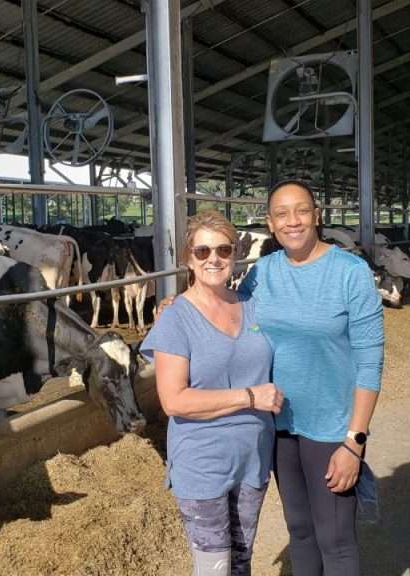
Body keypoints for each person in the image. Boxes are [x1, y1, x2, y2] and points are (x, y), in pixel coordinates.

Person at [238, 180, 384, 575]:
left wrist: (354, 440)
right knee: (299, 530)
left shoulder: (350, 273)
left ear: (317, 215)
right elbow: (229, 320)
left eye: (301, 210)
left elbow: (370, 361)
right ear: (270, 223)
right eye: (282, 214)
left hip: (331, 428)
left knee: (335, 539)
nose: (293, 221)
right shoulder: (261, 274)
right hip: (280, 425)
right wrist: (176, 306)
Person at [141, 210, 284, 576]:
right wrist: (250, 397)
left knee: (241, 562)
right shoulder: (176, 318)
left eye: (223, 249)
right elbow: (174, 401)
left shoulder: (253, 306)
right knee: (214, 568)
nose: (214, 259)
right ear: (188, 257)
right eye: (202, 251)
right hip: (203, 464)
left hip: (252, 459)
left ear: (236, 254)